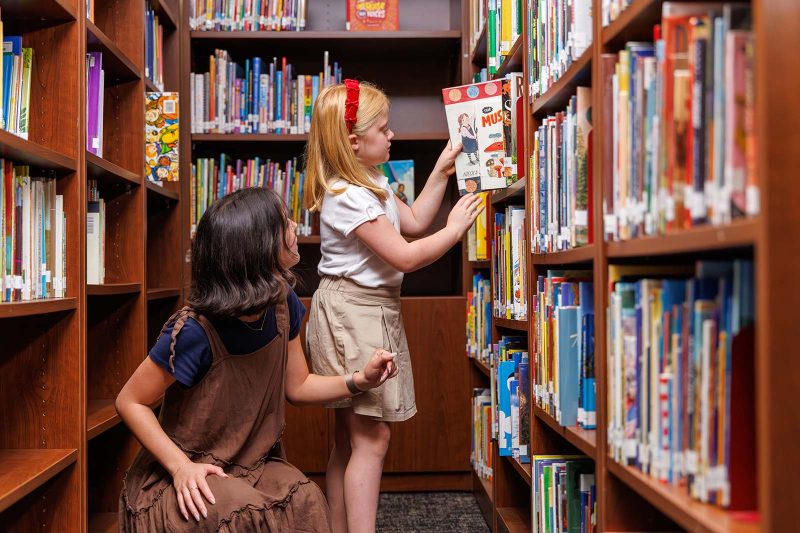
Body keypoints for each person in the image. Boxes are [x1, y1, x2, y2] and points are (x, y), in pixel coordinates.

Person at [116, 187, 398, 531]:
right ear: (258, 248)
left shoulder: (284, 304)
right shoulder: (194, 331)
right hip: (186, 469)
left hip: (252, 463)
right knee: (243, 514)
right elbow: (130, 401)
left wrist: (359, 380)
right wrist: (180, 468)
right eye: (284, 223)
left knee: (306, 499)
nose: (295, 226)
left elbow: (299, 385)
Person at [303, 79, 484, 533]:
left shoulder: (373, 182)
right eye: (383, 129)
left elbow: (417, 220)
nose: (391, 136)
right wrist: (457, 229)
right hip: (352, 312)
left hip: (369, 309)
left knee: (350, 440)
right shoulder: (347, 196)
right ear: (353, 142)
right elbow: (404, 253)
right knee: (371, 437)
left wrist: (442, 170)